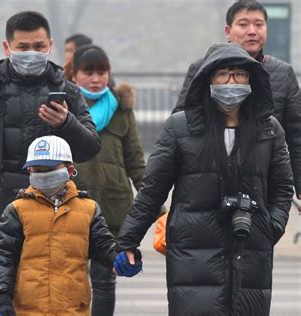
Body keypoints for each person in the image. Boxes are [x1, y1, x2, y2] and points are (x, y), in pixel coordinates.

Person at [116, 42, 293, 315]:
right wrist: (128, 241)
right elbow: (153, 190)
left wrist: (271, 227)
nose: (231, 81)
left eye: (239, 74)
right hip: (192, 257)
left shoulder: (269, 130)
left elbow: (282, 188)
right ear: (208, 79)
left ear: (251, 79)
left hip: (251, 252)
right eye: (222, 74)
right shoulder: (180, 127)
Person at [0, 11, 101, 245]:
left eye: (39, 46)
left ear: (50, 45)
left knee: (56, 279)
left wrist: (66, 123)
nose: (31, 53)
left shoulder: (68, 92)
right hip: (2, 207)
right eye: (23, 47)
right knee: (6, 280)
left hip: (58, 207)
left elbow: (90, 148)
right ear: (7, 47)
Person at [175, 0, 301, 211]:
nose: (252, 31)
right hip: (208, 182)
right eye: (243, 24)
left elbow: (297, 135)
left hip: (261, 185)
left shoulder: (282, 73)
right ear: (228, 30)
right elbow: (181, 122)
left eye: (259, 24)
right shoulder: (203, 69)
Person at [0, 135, 116, 315]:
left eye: (49, 169)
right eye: (37, 169)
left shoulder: (88, 209)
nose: (43, 174)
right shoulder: (17, 210)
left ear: (69, 169)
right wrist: (1, 299)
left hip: (73, 309)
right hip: (30, 310)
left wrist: (121, 257)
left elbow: (103, 247)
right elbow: (3, 258)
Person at [66, 44, 146, 315]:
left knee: (104, 281)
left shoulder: (120, 108)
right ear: (74, 75)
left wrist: (154, 205)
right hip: (71, 206)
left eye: (102, 72)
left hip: (112, 207)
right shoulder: (64, 108)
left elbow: (135, 160)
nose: (96, 78)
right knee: (72, 282)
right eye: (88, 72)